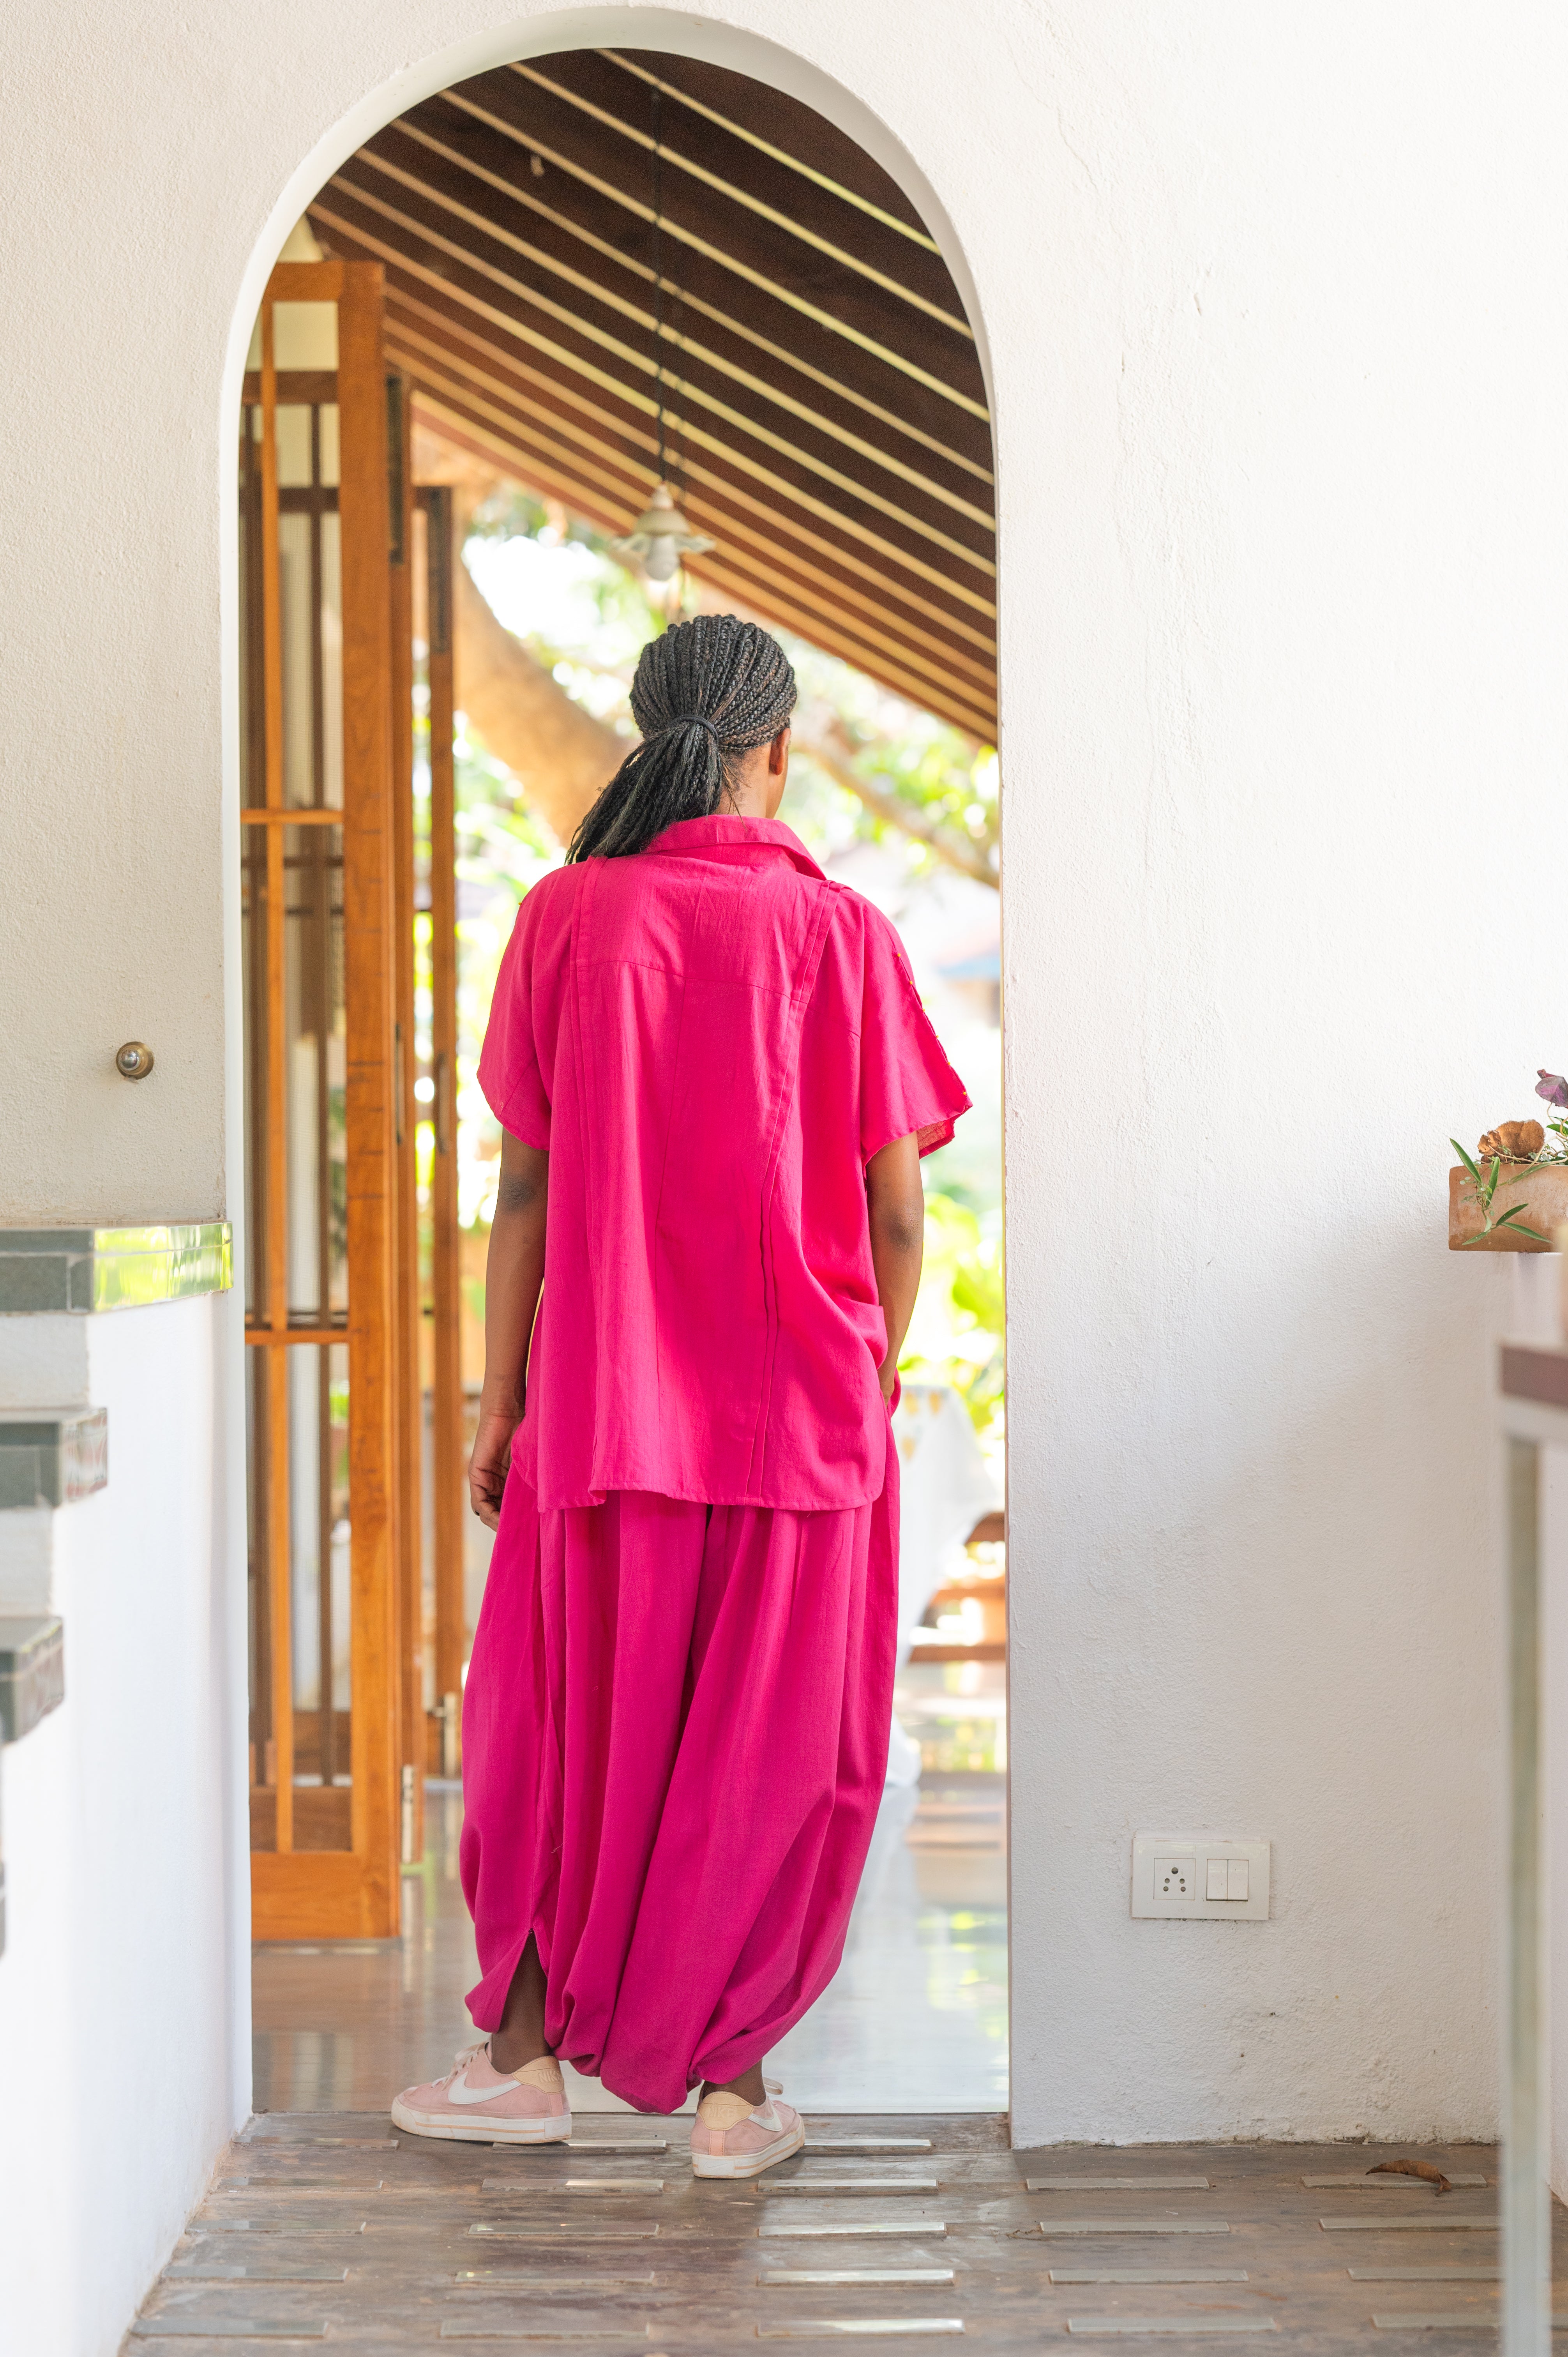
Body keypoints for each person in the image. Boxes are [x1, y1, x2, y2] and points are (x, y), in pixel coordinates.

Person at [392, 614, 970, 2176]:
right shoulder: (843, 934)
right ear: (773, 754)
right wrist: (870, 1360)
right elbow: (899, 1214)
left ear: (646, 737)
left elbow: (523, 1191)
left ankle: (518, 2070)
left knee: (558, 1735)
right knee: (774, 1755)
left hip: (600, 1420)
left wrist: (496, 1403)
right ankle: (732, 2098)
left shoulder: (567, 919)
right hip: (805, 1426)